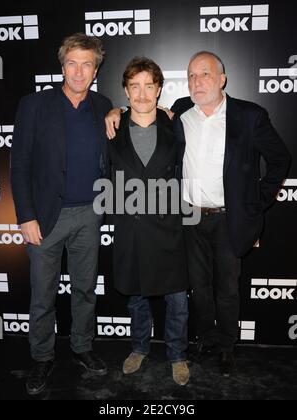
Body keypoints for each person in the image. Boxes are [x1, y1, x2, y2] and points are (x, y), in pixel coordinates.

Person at [105, 51, 291, 377]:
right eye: (191, 75)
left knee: (228, 289)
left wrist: (255, 202)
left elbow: (280, 159)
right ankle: (205, 340)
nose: (196, 81)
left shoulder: (249, 115)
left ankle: (227, 349)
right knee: (199, 288)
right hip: (188, 218)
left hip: (228, 217)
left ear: (222, 79)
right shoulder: (180, 112)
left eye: (204, 74)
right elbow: (140, 111)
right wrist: (115, 111)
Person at [11, 33, 112, 395]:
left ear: (95, 69)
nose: (79, 70)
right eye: (72, 62)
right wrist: (25, 215)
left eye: (87, 63)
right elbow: (19, 164)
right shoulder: (34, 105)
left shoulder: (104, 106)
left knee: (85, 289)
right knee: (43, 293)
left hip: (89, 215)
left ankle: (82, 348)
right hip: (45, 216)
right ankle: (41, 357)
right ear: (62, 65)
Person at [105, 57, 190, 386]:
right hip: (132, 228)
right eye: (135, 86)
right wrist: (113, 112)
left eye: (149, 86)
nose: (142, 94)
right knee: (136, 296)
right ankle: (139, 348)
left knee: (176, 297)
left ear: (159, 90)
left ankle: (177, 354)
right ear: (125, 91)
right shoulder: (111, 128)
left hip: (168, 227)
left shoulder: (175, 124)